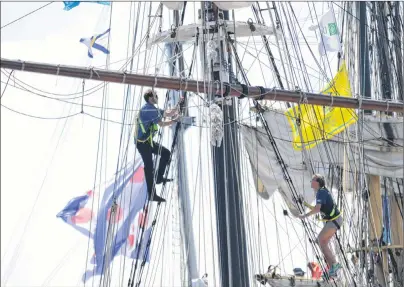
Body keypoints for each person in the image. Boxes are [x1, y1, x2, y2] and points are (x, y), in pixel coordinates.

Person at [136, 89, 180, 202]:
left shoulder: (152, 108)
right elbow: (161, 124)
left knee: (166, 153)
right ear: (151, 98)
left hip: (148, 141)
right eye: (156, 95)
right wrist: (174, 121)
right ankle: (152, 195)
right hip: (142, 144)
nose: (157, 97)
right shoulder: (149, 110)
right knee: (149, 168)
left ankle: (159, 178)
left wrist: (178, 104)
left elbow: (167, 113)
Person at [297, 174, 343, 278]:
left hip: (334, 221)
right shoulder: (322, 192)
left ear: (317, 182)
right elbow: (319, 207)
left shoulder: (321, 192)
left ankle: (334, 265)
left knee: (320, 241)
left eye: (312, 180)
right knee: (323, 243)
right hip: (335, 221)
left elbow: (317, 209)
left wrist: (305, 215)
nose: (311, 182)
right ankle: (333, 268)